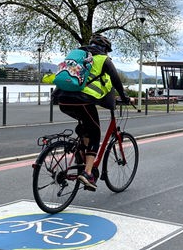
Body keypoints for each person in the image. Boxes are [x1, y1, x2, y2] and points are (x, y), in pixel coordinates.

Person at [56, 33, 131, 191]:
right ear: (105, 49)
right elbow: (116, 81)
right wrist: (124, 97)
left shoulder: (79, 56)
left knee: (86, 129)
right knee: (96, 133)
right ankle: (88, 172)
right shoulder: (103, 59)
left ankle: (81, 156)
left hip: (62, 99)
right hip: (82, 100)